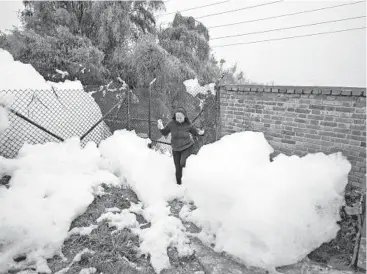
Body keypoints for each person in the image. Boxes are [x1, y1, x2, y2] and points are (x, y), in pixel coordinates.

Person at [158, 107, 204, 185]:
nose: (178, 119)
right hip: (175, 149)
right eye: (177, 117)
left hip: (187, 146)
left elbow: (195, 132)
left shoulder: (187, 124)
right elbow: (165, 132)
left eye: (180, 117)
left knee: (182, 162)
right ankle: (179, 185)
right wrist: (161, 127)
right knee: (178, 168)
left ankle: (190, 179)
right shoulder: (171, 123)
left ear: (184, 117)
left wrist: (201, 133)